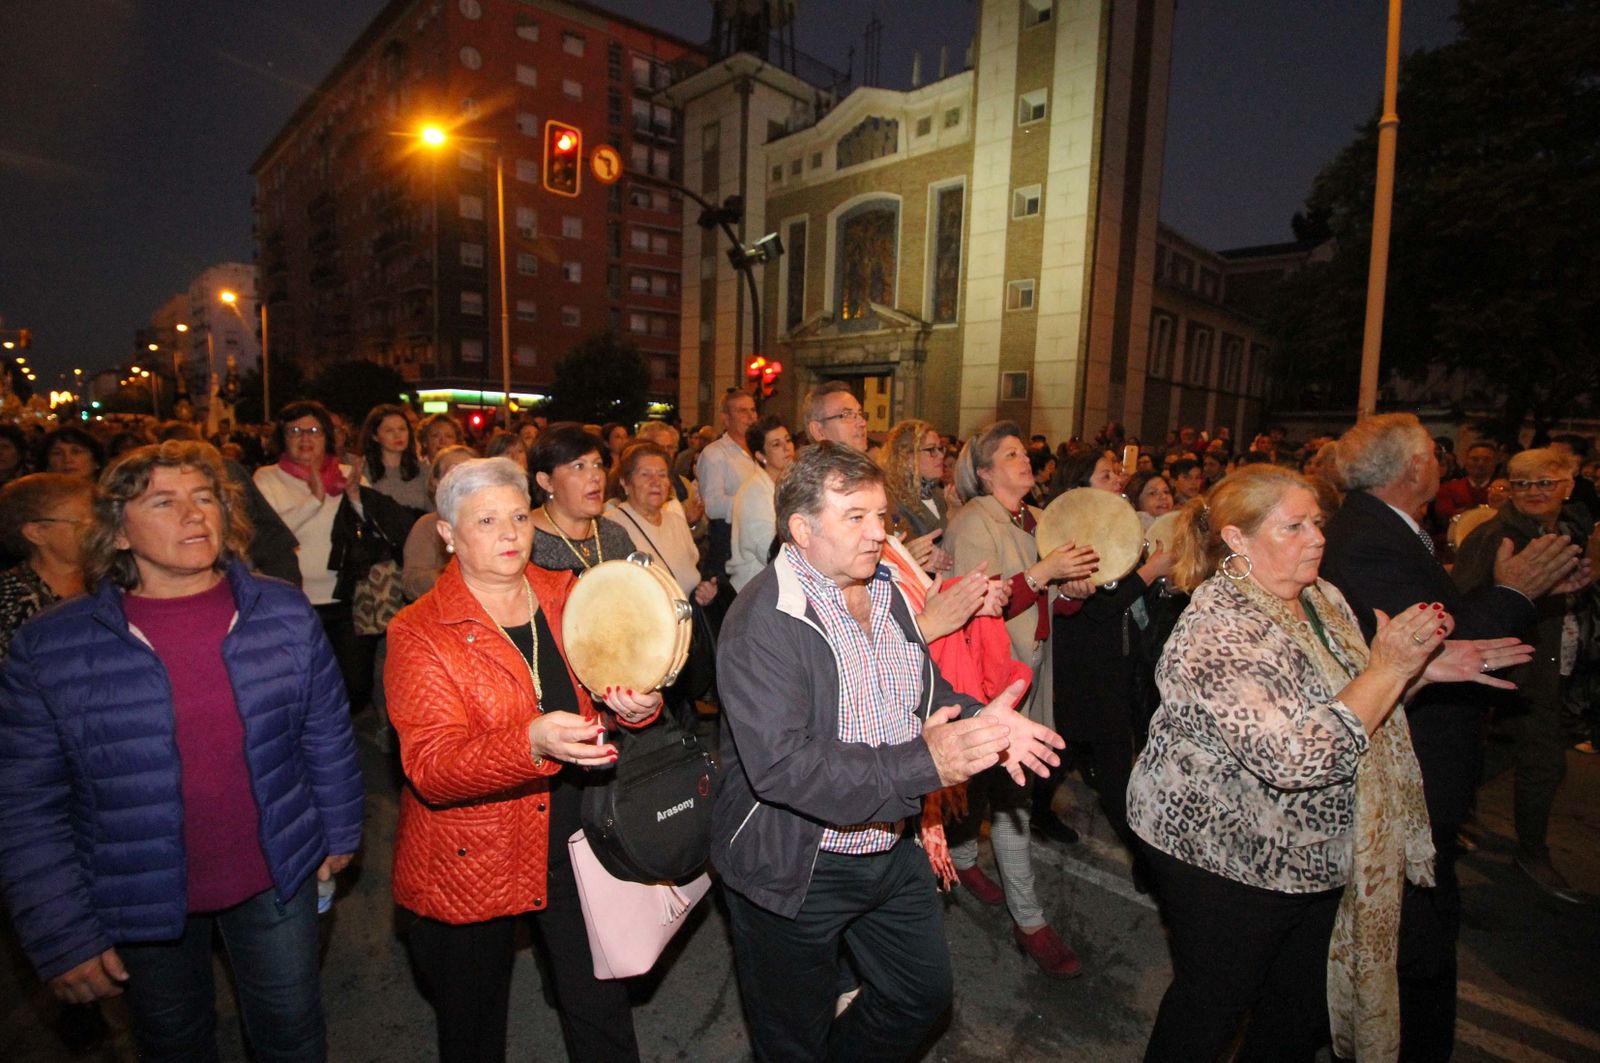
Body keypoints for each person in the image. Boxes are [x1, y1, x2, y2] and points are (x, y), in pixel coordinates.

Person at [1127, 464, 1530, 1062]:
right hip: (1225, 856)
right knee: (1213, 1005)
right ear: (1237, 539)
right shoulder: (1215, 633)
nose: (1317, 537)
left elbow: (1350, 701)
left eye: (1316, 523)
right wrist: (1389, 670)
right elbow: (1297, 756)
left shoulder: (1321, 594)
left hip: (1316, 851)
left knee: (1298, 1005)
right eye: (1293, 526)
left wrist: (1417, 670)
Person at [0, 440, 363, 1062]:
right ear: (116, 533)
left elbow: (324, 731)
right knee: (173, 1041)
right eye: (164, 502)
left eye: (205, 498)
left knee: (292, 1030)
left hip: (276, 872)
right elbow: (26, 801)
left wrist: (338, 832)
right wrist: (61, 930)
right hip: (138, 891)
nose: (194, 515)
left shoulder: (279, 609)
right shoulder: (54, 647)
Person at [712, 442, 1065, 1060]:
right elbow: (784, 769)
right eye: (856, 517)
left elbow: (923, 687)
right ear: (801, 529)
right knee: (792, 1040)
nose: (879, 533)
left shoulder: (885, 587)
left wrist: (987, 723)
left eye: (882, 516)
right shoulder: (763, 620)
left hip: (890, 840)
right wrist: (928, 764)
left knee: (919, 998)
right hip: (798, 862)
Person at [1320, 412, 1588, 1061]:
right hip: (1410, 762)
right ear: (1413, 468)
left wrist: (1519, 588)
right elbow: (1439, 640)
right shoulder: (1366, 538)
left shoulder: (1387, 528)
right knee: (1412, 943)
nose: (1442, 460)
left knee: (1420, 931)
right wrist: (1515, 590)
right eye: (1434, 452)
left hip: (1422, 761)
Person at [385, 457, 662, 1062]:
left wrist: (636, 707)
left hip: (574, 837)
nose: (510, 533)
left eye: (517, 516)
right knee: (473, 1026)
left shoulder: (570, 597)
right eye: (486, 520)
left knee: (601, 1011)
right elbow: (431, 767)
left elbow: (615, 695)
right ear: (448, 534)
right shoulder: (420, 632)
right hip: (472, 852)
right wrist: (529, 743)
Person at [941, 424, 1100, 976]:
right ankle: (1030, 920)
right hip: (989, 680)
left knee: (989, 783)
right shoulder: (971, 520)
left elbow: (1046, 604)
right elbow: (975, 608)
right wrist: (1043, 572)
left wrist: (1069, 590)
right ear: (984, 473)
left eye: (1025, 451)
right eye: (1010, 454)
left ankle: (962, 859)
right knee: (1011, 791)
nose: (1025, 459)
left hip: (1031, 674)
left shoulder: (1034, 520)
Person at [1453, 447, 1593, 899]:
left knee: (1503, 753)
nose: (1534, 492)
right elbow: (1466, 604)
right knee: (1543, 760)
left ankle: (1449, 813)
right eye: (1522, 483)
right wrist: (1520, 591)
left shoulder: (1572, 526)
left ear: (1567, 485)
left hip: (1561, 662)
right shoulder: (1496, 535)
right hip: (1521, 668)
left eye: (1545, 482)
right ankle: (1532, 854)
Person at [1048, 451, 1175, 867]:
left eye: (1116, 472)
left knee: (1065, 748)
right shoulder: (1068, 537)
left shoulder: (1115, 525)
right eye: (1106, 475)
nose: (1118, 479)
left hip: (1115, 661)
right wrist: (1151, 570)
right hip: (1086, 665)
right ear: (1080, 488)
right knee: (1113, 759)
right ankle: (1145, 860)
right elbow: (1103, 607)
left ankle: (1034, 809)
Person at [254, 400, 374, 706]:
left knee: (355, 685)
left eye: (314, 431)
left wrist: (358, 500)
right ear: (282, 437)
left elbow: (374, 532)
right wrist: (314, 500)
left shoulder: (349, 474)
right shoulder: (266, 478)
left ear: (328, 437)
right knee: (303, 687)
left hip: (346, 598)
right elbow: (268, 536)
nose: (305, 438)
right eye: (295, 431)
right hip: (294, 601)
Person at [610, 441, 717, 607]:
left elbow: (690, 575)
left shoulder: (676, 521)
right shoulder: (611, 526)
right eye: (645, 474)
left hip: (684, 627)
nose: (655, 482)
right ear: (625, 482)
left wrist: (703, 593)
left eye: (662, 475)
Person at [0, 474, 92, 664]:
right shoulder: (9, 598)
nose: (100, 529)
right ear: (37, 533)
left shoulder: (114, 582)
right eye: (84, 521)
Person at [529, 423, 635, 573]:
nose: (596, 476)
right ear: (546, 481)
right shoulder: (525, 540)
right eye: (579, 466)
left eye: (597, 465)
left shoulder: (615, 536)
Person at [696, 391, 759, 594]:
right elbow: (713, 506)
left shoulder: (760, 452)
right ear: (726, 418)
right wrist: (753, 503)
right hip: (728, 547)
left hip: (756, 543)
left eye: (753, 410)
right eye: (742, 411)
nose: (750, 416)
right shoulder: (715, 454)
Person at [400, 445, 477, 602]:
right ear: (436, 482)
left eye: (469, 472)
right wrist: (450, 572)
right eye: (454, 471)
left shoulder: (492, 521)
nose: (462, 479)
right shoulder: (428, 525)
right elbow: (411, 585)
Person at [728, 416, 794, 592]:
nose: (787, 447)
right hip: (754, 589)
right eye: (776, 444)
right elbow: (772, 553)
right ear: (760, 455)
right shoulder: (753, 493)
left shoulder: (789, 484)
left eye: (788, 440)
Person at [359, 403, 430, 515]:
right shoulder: (363, 471)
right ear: (375, 436)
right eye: (389, 430)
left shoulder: (423, 470)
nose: (398, 435)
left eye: (402, 429)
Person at [1433, 440, 1497, 522]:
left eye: (1486, 459)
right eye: (1475, 459)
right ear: (1465, 461)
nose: (1480, 464)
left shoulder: (1502, 489)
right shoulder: (1448, 489)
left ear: (1495, 462)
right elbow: (1444, 515)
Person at [38, 425, 104, 481]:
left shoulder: (110, 495)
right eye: (57, 453)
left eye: (76, 452)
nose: (67, 459)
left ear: (96, 462)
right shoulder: (34, 494)